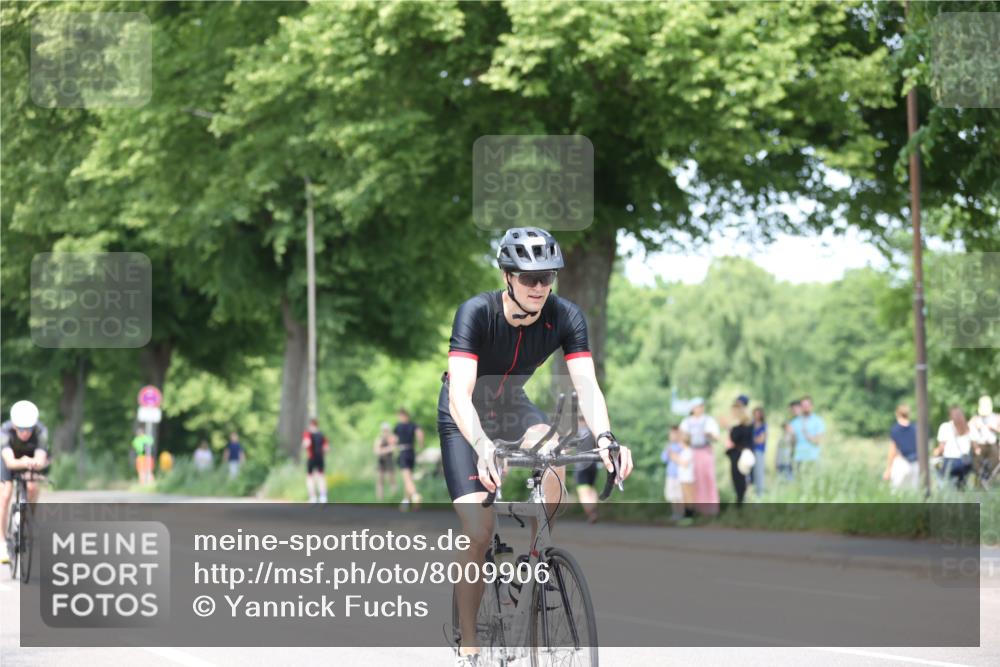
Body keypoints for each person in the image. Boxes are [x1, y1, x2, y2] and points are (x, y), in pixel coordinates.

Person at [440, 227, 634, 666]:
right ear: (507, 276)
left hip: (514, 405)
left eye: (547, 276)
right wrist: (484, 445)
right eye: (528, 278)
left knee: (553, 451)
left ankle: (536, 554)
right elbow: (459, 395)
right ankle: (469, 640)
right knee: (478, 531)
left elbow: (587, 386)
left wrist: (605, 437)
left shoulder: (565, 316)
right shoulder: (475, 312)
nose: (539, 286)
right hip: (465, 415)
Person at [0, 401, 49, 565]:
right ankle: (1, 541)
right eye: (21, 428)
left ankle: (29, 518)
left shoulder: (41, 431)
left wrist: (34, 463)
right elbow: (10, 463)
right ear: (14, 425)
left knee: (33, 485)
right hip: (10, 460)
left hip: (30, 460)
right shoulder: (5, 431)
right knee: (5, 495)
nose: (26, 432)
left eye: (29, 428)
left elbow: (41, 460)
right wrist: (26, 461)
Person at [679, 398, 720, 516]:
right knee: (693, 481)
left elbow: (716, 437)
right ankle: (694, 510)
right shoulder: (686, 422)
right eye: (697, 406)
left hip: (705, 451)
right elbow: (682, 438)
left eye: (701, 406)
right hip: (691, 453)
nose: (700, 408)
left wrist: (711, 435)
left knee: (708, 479)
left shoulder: (709, 420)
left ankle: (711, 510)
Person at [934, 406, 973, 490]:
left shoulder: (945, 426)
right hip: (965, 463)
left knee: (936, 469)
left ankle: (943, 490)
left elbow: (941, 448)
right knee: (961, 482)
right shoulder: (968, 427)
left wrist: (935, 453)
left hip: (950, 462)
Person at [393, 408, 425, 510]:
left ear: (401, 416)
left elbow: (393, 440)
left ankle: (415, 495)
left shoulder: (398, 426)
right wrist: (420, 447)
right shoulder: (414, 425)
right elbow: (420, 434)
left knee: (407, 479)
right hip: (412, 452)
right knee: (409, 478)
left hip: (403, 452)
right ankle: (406, 501)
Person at [883, 404, 919, 490]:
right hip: (915, 464)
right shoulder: (915, 428)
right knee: (914, 495)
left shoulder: (895, 429)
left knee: (896, 493)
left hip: (901, 463)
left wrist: (888, 469)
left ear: (897, 414)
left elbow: (892, 451)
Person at [725, 401, 754, 506]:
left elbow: (734, 438)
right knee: (742, 481)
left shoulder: (740, 427)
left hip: (740, 456)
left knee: (739, 481)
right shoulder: (748, 425)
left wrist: (730, 428)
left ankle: (740, 504)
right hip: (741, 454)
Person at [661, 425, 692, 523]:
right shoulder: (669, 446)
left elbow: (684, 460)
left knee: (680, 496)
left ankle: (682, 514)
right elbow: (664, 459)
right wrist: (669, 452)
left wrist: (673, 455)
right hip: (670, 475)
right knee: (672, 496)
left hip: (680, 476)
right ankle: (675, 514)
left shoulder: (682, 446)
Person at [572, 413, 599, 524]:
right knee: (591, 489)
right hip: (593, 464)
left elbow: (568, 447)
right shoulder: (593, 432)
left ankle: (591, 513)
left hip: (581, 465)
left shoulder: (576, 433)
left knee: (583, 492)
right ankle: (594, 509)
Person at [791, 395, 825, 471]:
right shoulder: (794, 422)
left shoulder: (818, 421)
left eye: (807, 405)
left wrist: (806, 433)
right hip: (798, 459)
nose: (806, 407)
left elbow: (817, 441)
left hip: (813, 458)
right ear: (800, 407)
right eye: (803, 405)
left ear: (812, 406)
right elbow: (792, 443)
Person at [970, 395, 999, 485]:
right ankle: (981, 482)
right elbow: (971, 435)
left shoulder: (996, 418)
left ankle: (990, 482)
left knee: (994, 464)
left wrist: (993, 428)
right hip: (980, 446)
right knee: (977, 462)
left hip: (993, 445)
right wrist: (975, 448)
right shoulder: (975, 419)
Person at [301, 418, 330, 503]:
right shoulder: (322, 435)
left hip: (311, 457)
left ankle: (313, 498)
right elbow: (327, 449)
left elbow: (307, 443)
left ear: (310, 425)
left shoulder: (308, 434)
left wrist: (304, 446)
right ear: (317, 425)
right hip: (320, 458)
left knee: (310, 477)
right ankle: (323, 497)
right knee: (321, 477)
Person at [373, 422, 397, 501]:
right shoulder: (379, 438)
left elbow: (393, 447)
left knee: (391, 479)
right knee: (380, 480)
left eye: (386, 430)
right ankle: (380, 499)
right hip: (381, 461)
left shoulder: (392, 438)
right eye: (384, 430)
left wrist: (382, 450)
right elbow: (376, 451)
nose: (385, 432)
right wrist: (385, 449)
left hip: (389, 460)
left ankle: (394, 497)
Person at [750, 406, 767, 495]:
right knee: (750, 473)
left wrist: (752, 439)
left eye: (758, 414)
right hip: (750, 451)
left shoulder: (763, 426)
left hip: (759, 451)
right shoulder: (751, 424)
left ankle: (760, 494)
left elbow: (761, 440)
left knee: (759, 472)